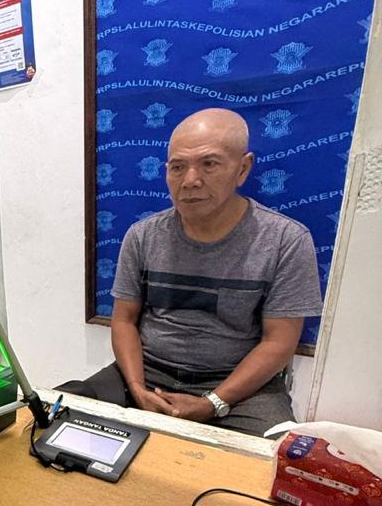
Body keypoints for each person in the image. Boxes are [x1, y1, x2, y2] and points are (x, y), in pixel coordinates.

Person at [63, 108, 323, 436]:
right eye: (177, 167)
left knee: (277, 457)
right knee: (56, 417)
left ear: (243, 169)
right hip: (147, 373)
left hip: (240, 388)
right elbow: (124, 320)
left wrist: (212, 403)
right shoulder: (142, 236)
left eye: (209, 164)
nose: (190, 181)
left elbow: (279, 341)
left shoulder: (285, 240)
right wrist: (137, 389)